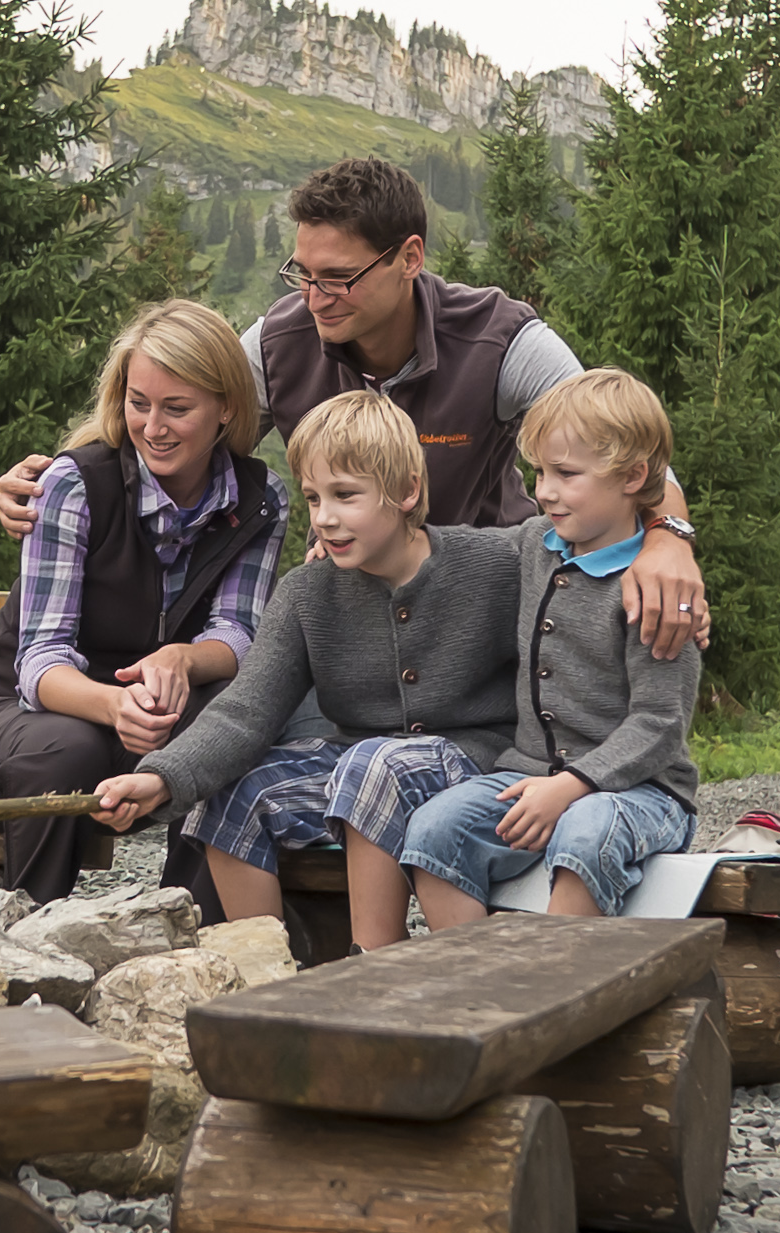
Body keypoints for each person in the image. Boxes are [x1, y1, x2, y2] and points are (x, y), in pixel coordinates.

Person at [0, 157, 709, 653]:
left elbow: (619, 450)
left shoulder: (501, 338)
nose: (314, 298)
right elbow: (174, 420)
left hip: (487, 608)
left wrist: (669, 536)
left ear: (409, 258)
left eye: (338, 278)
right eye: (301, 274)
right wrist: (64, 475)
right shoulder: (277, 341)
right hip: (348, 606)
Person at [81, 392, 523, 944]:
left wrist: (650, 547)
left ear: (407, 491)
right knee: (235, 792)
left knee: (373, 765)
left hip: (475, 762)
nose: (325, 519)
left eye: (345, 495)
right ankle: (264, 969)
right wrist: (159, 776)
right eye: (314, 498)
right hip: (360, 764)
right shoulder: (307, 593)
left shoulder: (493, 563)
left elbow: (574, 542)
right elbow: (245, 712)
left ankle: (373, 969)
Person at [0, 300, 284, 903]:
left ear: (227, 407)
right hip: (6, 721)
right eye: (138, 403)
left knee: (229, 727)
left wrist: (182, 659)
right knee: (72, 746)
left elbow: (237, 631)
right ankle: (30, 920)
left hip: (136, 729)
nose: (153, 427)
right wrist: (118, 705)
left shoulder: (259, 500)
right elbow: (39, 663)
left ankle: (191, 924)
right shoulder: (72, 485)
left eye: (177, 408)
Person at [383, 369, 703, 933]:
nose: (544, 491)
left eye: (566, 474)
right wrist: (368, 538)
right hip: (531, 775)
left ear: (633, 476)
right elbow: (447, 549)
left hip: (639, 791)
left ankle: (558, 979)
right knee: (434, 831)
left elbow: (660, 723)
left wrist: (571, 787)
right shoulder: (535, 544)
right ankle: (479, 979)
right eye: (539, 472)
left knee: (586, 833)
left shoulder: (654, 591)